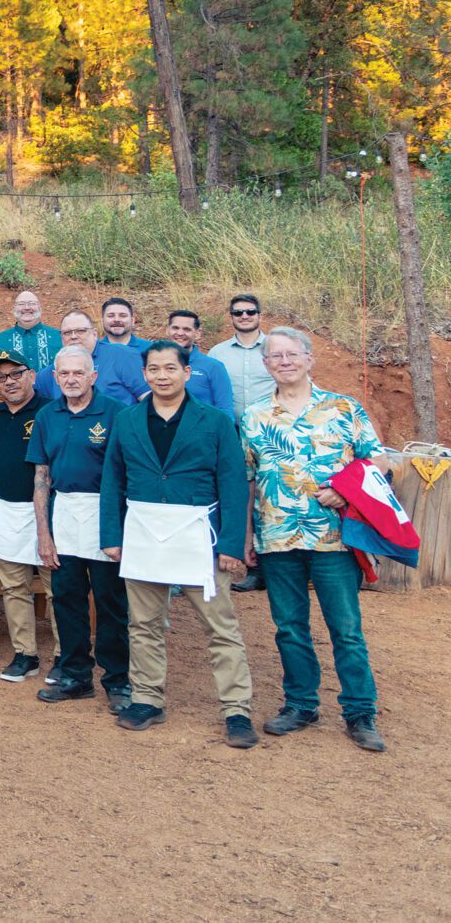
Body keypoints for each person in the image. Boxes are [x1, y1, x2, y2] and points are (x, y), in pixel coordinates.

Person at [100, 342, 258, 749]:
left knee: (221, 627)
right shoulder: (129, 418)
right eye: (154, 369)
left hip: (197, 534)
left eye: (171, 367)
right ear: (145, 374)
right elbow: (113, 479)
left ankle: (236, 708)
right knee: (143, 624)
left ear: (187, 373)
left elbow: (233, 483)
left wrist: (230, 544)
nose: (162, 375)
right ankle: (148, 698)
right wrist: (112, 537)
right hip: (143, 535)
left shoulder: (216, 421)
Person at [244, 328, 388, 752]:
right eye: (276, 356)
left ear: (309, 359)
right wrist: (248, 537)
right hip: (277, 537)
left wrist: (348, 490)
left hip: (334, 538)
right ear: (266, 364)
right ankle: (301, 704)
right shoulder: (254, 416)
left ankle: (361, 711)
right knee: (289, 628)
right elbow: (249, 479)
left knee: (345, 629)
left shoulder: (344, 408)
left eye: (292, 354)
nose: (284, 361)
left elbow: (377, 458)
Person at [28, 345, 130, 710]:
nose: (71, 379)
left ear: (93, 376)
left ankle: (118, 680)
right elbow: (41, 476)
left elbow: (124, 475)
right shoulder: (46, 416)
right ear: (55, 377)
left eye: (78, 373)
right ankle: (75, 675)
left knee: (110, 603)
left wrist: (116, 531)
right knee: (67, 600)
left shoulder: (117, 414)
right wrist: (43, 534)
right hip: (64, 513)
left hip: (104, 515)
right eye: (64, 374)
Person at [0, 351, 50, 683]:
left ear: (32, 375)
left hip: (47, 514)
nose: (9, 382)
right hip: (6, 510)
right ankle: (26, 653)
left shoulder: (51, 411)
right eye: (1, 377)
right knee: (14, 587)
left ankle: (67, 656)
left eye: (15, 374)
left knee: (56, 588)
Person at [34, 312, 146, 405]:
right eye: (67, 333)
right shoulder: (51, 373)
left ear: (94, 334)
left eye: (81, 331)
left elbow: (149, 398)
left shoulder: (122, 356)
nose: (73, 336)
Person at [209, 293, 274, 418]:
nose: (244, 316)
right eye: (238, 313)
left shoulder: (278, 349)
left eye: (250, 312)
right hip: (230, 428)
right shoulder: (216, 353)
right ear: (231, 318)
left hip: (270, 429)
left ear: (260, 316)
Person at [165, 310, 234, 412]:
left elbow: (225, 410)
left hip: (204, 426)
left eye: (187, 329)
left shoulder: (213, 367)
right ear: (167, 330)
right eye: (175, 328)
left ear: (197, 334)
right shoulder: (155, 365)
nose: (180, 333)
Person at [0, 291, 62, 373]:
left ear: (40, 308)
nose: (27, 307)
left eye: (32, 303)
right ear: (13, 309)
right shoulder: (0, 341)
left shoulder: (58, 337)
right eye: (21, 304)